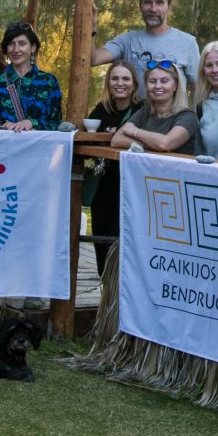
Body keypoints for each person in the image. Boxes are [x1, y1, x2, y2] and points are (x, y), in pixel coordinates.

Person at [90, 0, 199, 96]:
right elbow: (93, 59)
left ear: (169, 9)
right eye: (147, 2)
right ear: (140, 7)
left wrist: (194, 114)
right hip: (135, 114)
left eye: (159, 3)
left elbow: (198, 86)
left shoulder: (187, 42)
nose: (153, 9)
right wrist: (91, 28)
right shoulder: (127, 41)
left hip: (175, 114)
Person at [86, 61, 144, 275]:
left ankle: (121, 295)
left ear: (134, 84)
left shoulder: (142, 109)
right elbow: (88, 133)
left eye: (125, 78)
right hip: (102, 185)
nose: (120, 83)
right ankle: (105, 290)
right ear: (108, 82)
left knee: (122, 240)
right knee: (101, 238)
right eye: (114, 78)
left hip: (130, 186)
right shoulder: (102, 109)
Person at [0, 22, 62, 131]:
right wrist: (3, 125)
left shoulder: (48, 81)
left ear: (32, 47)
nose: (16, 49)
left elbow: (56, 124)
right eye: (11, 44)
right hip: (0, 147)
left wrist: (32, 123)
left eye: (22, 43)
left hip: (37, 147)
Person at [111, 61, 199, 155]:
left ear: (175, 86)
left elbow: (165, 144)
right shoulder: (145, 112)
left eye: (164, 81)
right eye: (152, 81)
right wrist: (143, 144)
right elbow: (116, 140)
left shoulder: (188, 116)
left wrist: (135, 131)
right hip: (146, 169)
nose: (157, 86)